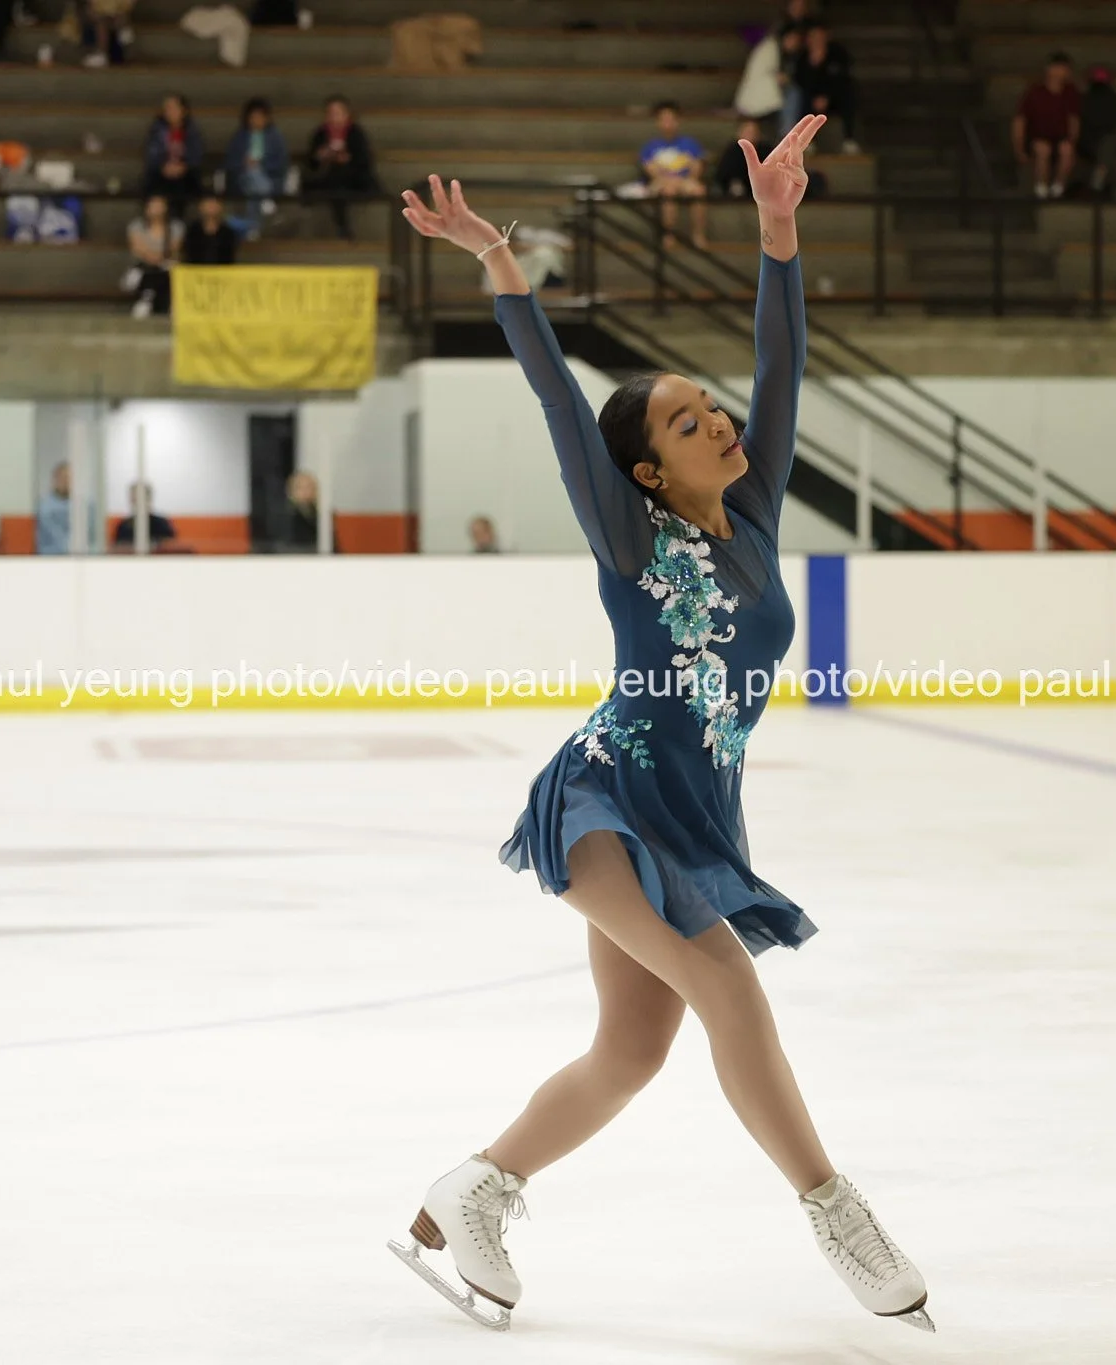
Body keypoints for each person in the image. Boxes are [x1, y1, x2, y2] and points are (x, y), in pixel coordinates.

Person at [389, 118, 935, 1337]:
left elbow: (782, 366)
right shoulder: (628, 535)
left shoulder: (753, 514)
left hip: (695, 815)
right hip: (606, 798)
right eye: (686, 423)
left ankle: (472, 1188)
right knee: (726, 991)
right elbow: (555, 396)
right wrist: (495, 261)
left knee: (630, 1054)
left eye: (711, 409)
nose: (721, 424)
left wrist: (777, 230)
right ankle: (835, 1212)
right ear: (643, 470)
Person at [305, 96, 379, 240]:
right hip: (328, 178)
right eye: (331, 113)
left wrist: (347, 158)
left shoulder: (355, 133)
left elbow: (364, 160)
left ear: (347, 114)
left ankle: (343, 228)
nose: (334, 117)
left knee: (340, 179)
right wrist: (322, 156)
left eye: (338, 113)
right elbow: (311, 161)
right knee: (332, 180)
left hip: (353, 178)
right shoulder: (320, 134)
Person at [640, 100, 709, 249]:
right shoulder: (651, 146)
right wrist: (668, 180)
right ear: (657, 122)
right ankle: (668, 235)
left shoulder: (691, 144)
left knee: (699, 190)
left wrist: (682, 180)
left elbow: (697, 169)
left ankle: (698, 235)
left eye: (671, 119)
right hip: (662, 183)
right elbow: (651, 171)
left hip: (685, 181)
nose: (668, 124)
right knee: (669, 191)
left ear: (678, 121)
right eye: (663, 119)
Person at [1012, 51, 1081, 199]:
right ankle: (1041, 188)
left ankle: (1058, 188)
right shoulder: (1034, 92)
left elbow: (1073, 121)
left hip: (1060, 138)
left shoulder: (1070, 92)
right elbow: (1020, 121)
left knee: (1066, 149)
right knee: (1043, 149)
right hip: (1037, 138)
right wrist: (1019, 148)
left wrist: (1073, 141)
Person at [224, 97, 289, 239]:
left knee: (254, 190)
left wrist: (260, 164)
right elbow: (230, 162)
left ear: (267, 118)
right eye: (253, 117)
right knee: (252, 174)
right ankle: (266, 198)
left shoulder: (276, 137)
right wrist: (245, 163)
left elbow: (281, 163)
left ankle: (253, 227)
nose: (256, 120)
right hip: (243, 177)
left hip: (269, 178)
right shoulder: (239, 137)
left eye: (260, 117)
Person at [795, 25, 858, 155]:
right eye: (813, 37)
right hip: (812, 98)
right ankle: (808, 141)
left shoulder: (837, 54)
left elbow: (842, 78)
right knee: (801, 99)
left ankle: (849, 140)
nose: (816, 40)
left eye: (820, 37)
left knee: (848, 96)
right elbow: (800, 81)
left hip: (834, 97)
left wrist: (827, 97)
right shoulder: (802, 58)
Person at [140, 93, 204, 207]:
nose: (170, 111)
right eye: (167, 108)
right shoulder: (156, 131)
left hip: (186, 174)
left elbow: (197, 155)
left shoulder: (192, 131)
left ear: (184, 110)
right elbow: (151, 155)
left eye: (174, 107)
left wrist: (184, 166)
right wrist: (163, 166)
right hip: (160, 174)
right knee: (155, 196)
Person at [125, 195, 182, 318]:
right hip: (142, 267)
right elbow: (138, 248)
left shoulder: (176, 227)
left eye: (160, 205)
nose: (157, 209)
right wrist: (153, 257)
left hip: (166, 265)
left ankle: (151, 296)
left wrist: (160, 258)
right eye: (153, 206)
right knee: (149, 271)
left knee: (169, 270)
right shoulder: (136, 226)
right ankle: (146, 299)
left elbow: (174, 248)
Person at [1077, 66, 1116, 197]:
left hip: (1104, 139)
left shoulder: (1114, 100)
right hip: (1086, 140)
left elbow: (1114, 123)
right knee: (1109, 147)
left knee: (1109, 146)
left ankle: (1099, 180)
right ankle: (1111, 185)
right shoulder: (1083, 100)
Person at [715, 118, 775, 200]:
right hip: (739, 186)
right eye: (748, 131)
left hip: (761, 185)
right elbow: (723, 174)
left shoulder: (766, 149)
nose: (751, 135)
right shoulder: (732, 151)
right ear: (739, 133)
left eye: (754, 131)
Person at [111, 482, 180, 552]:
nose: (136, 503)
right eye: (133, 500)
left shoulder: (161, 524)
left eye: (138, 499)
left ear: (148, 499)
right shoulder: (124, 525)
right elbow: (117, 548)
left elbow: (171, 546)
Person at [180, 194, 240, 266]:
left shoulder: (228, 232)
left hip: (222, 271)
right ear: (200, 206)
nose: (211, 206)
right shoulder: (192, 230)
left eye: (214, 203)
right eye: (208, 203)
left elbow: (229, 258)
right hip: (194, 271)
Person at [36, 461, 79, 554]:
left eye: (69, 478)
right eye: (63, 478)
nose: (66, 482)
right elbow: (55, 536)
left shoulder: (81, 506)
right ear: (55, 479)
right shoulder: (44, 506)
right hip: (50, 555)